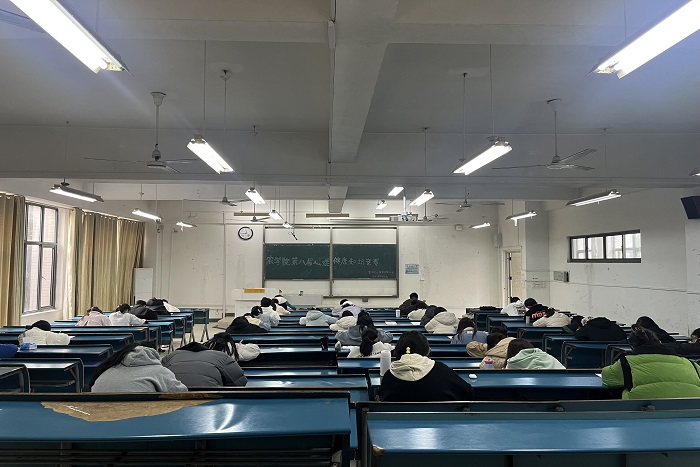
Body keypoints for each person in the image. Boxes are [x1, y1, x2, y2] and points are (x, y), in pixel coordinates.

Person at [602, 324, 700, 399]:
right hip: (691, 411)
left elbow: (608, 377)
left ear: (632, 347)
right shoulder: (690, 364)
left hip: (643, 411)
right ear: (659, 342)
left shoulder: (626, 363)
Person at [380, 331, 473, 402]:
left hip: (398, 422)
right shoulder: (442, 371)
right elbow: (467, 392)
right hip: (441, 421)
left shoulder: (389, 376)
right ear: (428, 350)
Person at [90, 342, 187, 393]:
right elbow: (182, 393)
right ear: (154, 355)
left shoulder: (107, 369)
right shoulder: (160, 372)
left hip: (98, 418)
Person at [161, 341, 247, 388]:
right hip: (211, 396)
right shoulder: (220, 356)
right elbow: (240, 382)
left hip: (172, 397)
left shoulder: (170, 357)